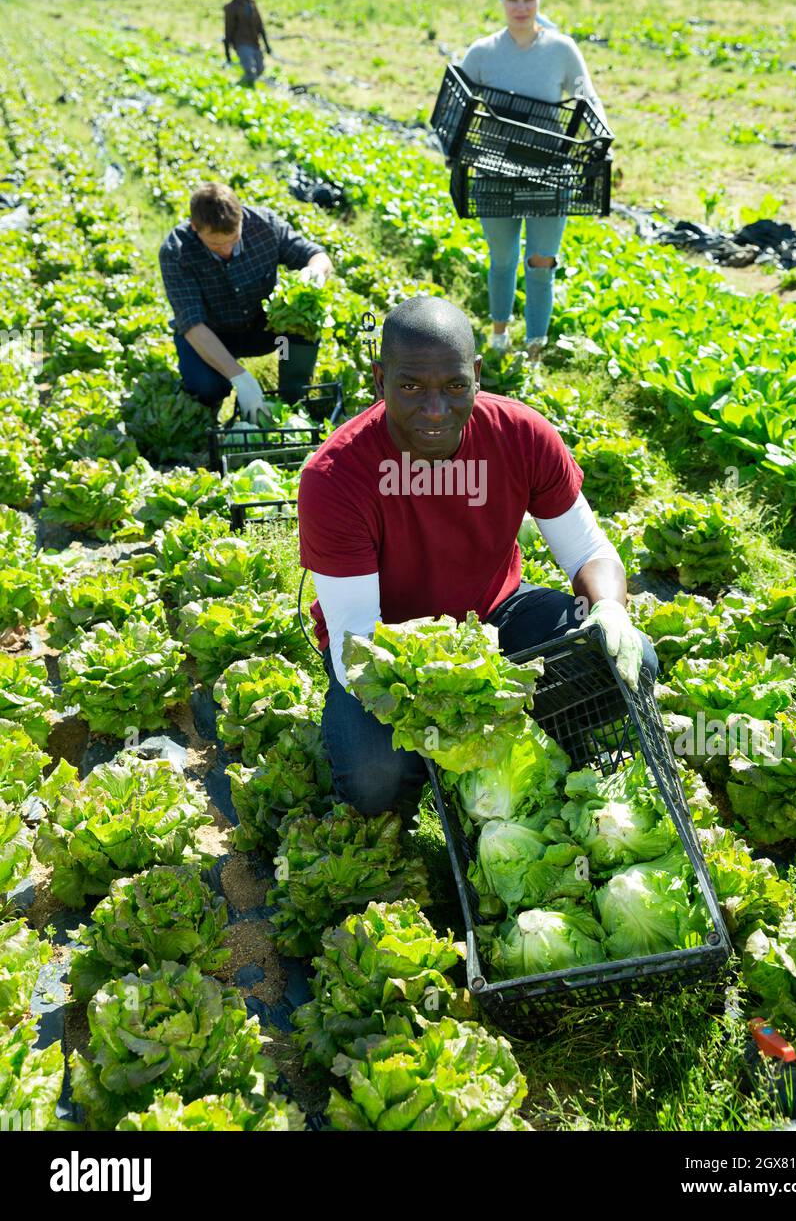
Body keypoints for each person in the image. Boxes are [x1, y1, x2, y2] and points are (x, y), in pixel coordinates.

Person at [297, 295, 656, 820]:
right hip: (383, 653)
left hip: (493, 614)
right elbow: (356, 639)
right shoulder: (336, 478)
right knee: (375, 782)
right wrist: (458, 702)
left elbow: (587, 548)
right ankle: (443, 755)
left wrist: (610, 610)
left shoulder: (521, 435)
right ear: (380, 381)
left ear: (477, 376)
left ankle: (538, 741)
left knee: (630, 662)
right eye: (411, 387)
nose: (435, 410)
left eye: (455, 386)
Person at [460, 0, 610, 360]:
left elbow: (586, 97)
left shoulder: (561, 49)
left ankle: (535, 349)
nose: (521, 6)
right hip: (496, 168)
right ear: (501, 0)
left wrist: (602, 140)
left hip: (548, 170)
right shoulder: (482, 52)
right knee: (503, 258)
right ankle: (498, 335)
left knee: (541, 262)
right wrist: (452, 151)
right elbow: (455, 108)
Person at [158, 181, 333, 421]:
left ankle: (293, 395)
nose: (227, 249)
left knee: (304, 321)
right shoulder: (176, 251)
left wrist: (314, 273)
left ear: (241, 219)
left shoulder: (264, 225)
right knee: (206, 387)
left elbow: (317, 255)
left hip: (266, 329)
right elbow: (193, 326)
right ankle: (217, 395)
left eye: (233, 239)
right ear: (195, 228)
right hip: (212, 335)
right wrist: (239, 376)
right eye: (216, 244)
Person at [224, 0, 271, 86]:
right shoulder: (231, 7)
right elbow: (228, 29)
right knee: (249, 68)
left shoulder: (251, 2)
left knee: (260, 68)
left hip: (254, 40)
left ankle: (244, 84)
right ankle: (249, 89)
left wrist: (267, 44)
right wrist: (227, 53)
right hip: (241, 42)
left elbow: (260, 23)